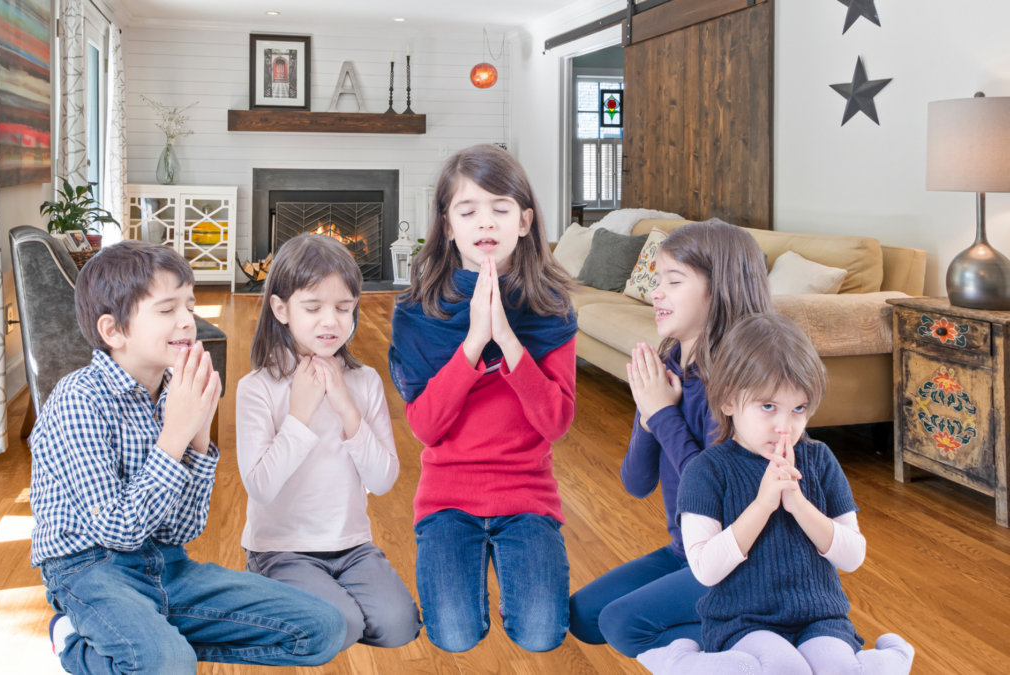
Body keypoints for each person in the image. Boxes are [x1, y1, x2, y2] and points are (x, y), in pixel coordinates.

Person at [29, 241, 346, 674]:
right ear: (113, 330)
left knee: (325, 627)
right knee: (168, 664)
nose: (188, 321)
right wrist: (177, 433)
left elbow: (182, 529)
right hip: (90, 571)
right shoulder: (78, 399)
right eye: (167, 310)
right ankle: (74, 638)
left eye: (189, 305)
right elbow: (118, 531)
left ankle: (154, 642)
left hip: (167, 565)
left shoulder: (173, 393)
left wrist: (199, 438)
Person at [639, 313, 915, 675]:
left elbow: (852, 556)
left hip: (820, 616)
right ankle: (682, 661)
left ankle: (891, 656)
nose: (785, 426)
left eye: (798, 408)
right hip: (743, 621)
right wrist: (763, 504)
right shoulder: (706, 470)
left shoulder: (819, 459)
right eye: (768, 406)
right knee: (786, 670)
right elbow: (705, 570)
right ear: (727, 402)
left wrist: (797, 503)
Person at [389, 144, 579, 653]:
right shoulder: (417, 311)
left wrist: (509, 341)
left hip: (527, 493)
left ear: (524, 220)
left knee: (540, 635)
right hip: (447, 495)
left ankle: (517, 576)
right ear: (447, 226)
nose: (485, 222)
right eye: (467, 210)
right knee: (453, 636)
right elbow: (427, 427)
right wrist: (474, 341)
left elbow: (555, 421)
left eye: (500, 207)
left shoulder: (551, 308)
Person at [569, 219, 773, 657]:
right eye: (657, 280)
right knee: (585, 617)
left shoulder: (744, 391)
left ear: (719, 290)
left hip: (746, 562)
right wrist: (649, 417)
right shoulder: (670, 369)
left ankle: (774, 636)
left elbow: (723, 495)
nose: (655, 292)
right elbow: (636, 483)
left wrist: (663, 414)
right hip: (687, 551)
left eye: (673, 281)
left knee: (623, 626)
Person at [237, 233, 421, 653]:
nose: (330, 321)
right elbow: (260, 487)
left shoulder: (365, 381)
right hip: (281, 550)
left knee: (399, 626)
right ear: (281, 309)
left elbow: (384, 478)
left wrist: (347, 409)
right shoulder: (258, 388)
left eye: (343, 308)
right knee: (343, 623)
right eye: (313, 307)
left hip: (351, 546)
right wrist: (300, 414)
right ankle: (274, 593)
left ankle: (318, 607)